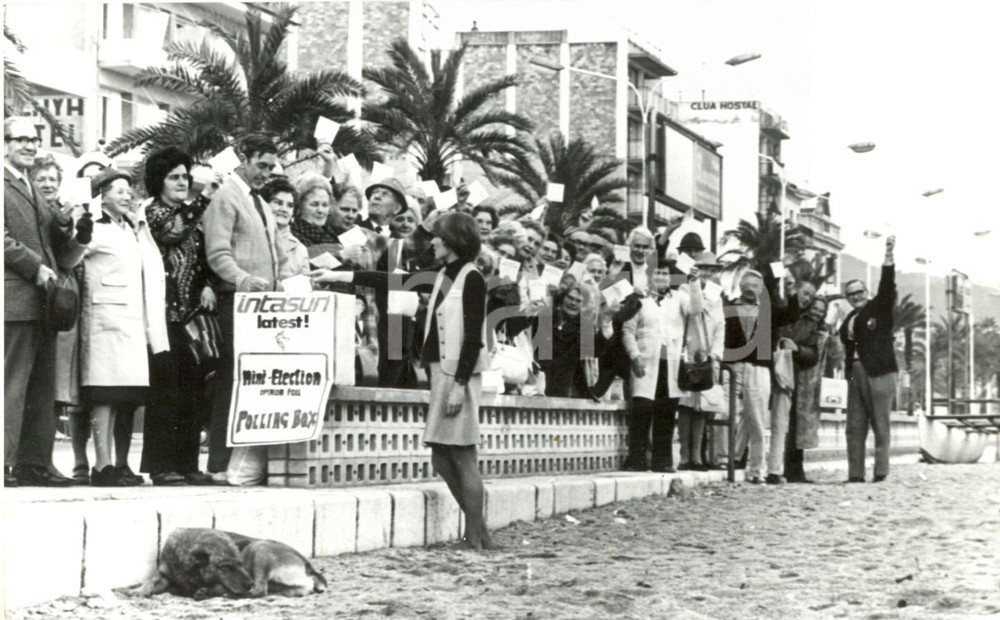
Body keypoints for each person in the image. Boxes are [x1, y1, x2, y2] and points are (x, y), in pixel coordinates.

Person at [310, 212, 497, 550]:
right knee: (442, 458)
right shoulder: (442, 273)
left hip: (458, 374)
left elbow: (473, 338)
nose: (434, 242)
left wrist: (458, 383)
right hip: (442, 371)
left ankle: (475, 537)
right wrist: (338, 273)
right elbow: (392, 280)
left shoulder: (472, 278)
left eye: (439, 237)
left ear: (453, 240)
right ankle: (480, 531)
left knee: (463, 455)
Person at [4, 117, 90, 487]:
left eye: (32, 139)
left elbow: (58, 242)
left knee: (41, 387)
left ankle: (34, 463)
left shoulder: (31, 187)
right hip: (15, 298)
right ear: (3, 143)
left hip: (44, 301)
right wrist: (34, 266)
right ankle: (6, 461)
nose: (27, 144)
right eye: (19, 138)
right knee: (12, 383)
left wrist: (77, 229)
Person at [79, 167, 169, 486]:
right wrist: (78, 226)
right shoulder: (93, 225)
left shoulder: (131, 226)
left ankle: (117, 464)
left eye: (128, 190)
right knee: (103, 392)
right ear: (101, 194)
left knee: (123, 394)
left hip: (130, 321)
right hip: (103, 319)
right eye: (118, 190)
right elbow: (71, 255)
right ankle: (102, 465)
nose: (126, 195)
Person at [203, 133, 285, 479]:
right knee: (231, 380)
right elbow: (217, 252)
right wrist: (241, 279)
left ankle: (242, 462)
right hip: (235, 301)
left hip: (263, 304)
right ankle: (220, 462)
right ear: (244, 159)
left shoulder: (261, 204)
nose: (266, 172)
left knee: (252, 381)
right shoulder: (225, 197)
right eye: (260, 165)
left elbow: (275, 256)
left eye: (270, 166)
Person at [138, 147, 218, 486]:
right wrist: (204, 199)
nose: (182, 182)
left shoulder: (191, 214)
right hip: (162, 315)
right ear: (160, 181)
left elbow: (203, 258)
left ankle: (187, 463)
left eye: (186, 177)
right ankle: (160, 466)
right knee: (166, 390)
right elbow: (173, 232)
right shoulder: (152, 212)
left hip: (191, 316)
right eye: (175, 177)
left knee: (193, 390)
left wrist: (209, 284)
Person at [621, 257, 698, 472]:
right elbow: (628, 331)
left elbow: (696, 309)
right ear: (649, 275)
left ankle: (662, 460)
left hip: (670, 362)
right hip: (645, 360)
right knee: (642, 409)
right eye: (657, 273)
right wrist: (634, 355)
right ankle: (636, 459)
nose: (661, 277)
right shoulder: (639, 299)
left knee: (666, 411)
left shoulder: (680, 298)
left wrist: (694, 283)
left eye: (665, 273)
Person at [840, 235, 898, 483]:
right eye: (851, 294)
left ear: (867, 291)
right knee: (854, 425)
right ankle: (855, 473)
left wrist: (888, 257)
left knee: (880, 423)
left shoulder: (880, 308)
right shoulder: (849, 318)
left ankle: (881, 471)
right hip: (854, 372)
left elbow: (887, 286)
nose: (856, 296)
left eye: (859, 291)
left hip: (880, 371)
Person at [676, 251, 725, 471]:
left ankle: (697, 454)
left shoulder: (717, 296)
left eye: (712, 270)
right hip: (688, 350)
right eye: (704, 269)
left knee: (702, 406)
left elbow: (720, 328)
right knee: (686, 405)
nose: (708, 273)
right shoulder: (685, 289)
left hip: (707, 355)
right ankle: (685, 455)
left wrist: (715, 354)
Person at [781, 296, 831, 483]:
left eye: (821, 310)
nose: (817, 312)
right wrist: (799, 350)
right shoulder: (805, 324)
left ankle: (795, 470)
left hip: (808, 382)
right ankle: (793, 471)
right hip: (797, 379)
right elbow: (806, 351)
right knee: (794, 428)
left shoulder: (820, 328)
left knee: (798, 428)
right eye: (815, 308)